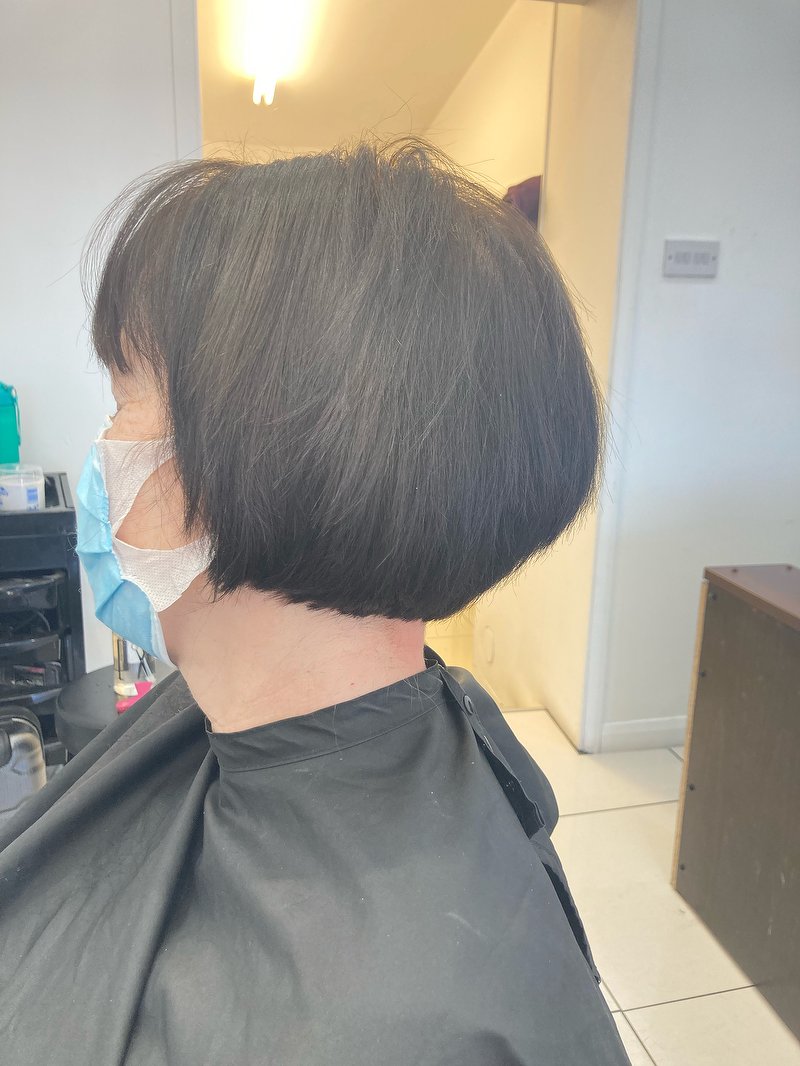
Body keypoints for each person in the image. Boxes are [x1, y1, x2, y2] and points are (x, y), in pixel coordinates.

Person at [0, 139, 630, 1065]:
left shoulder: (411, 1026)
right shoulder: (262, 721)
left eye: (125, 399)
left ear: (269, 456)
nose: (101, 453)